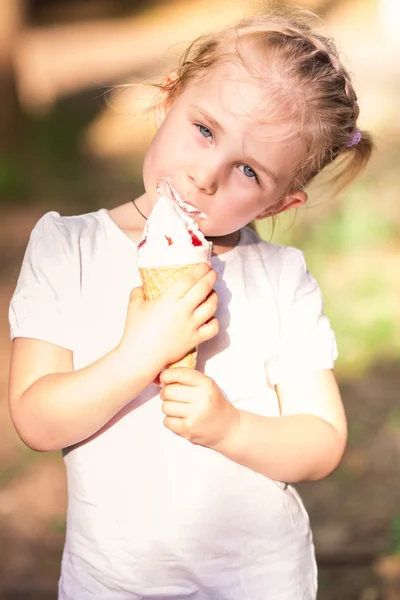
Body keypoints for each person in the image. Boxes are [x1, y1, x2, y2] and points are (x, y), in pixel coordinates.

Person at [8, 9, 373, 600]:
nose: (206, 175)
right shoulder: (66, 247)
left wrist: (228, 427)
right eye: (204, 130)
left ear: (279, 205)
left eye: (249, 172)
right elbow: (37, 420)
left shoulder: (279, 276)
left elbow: (321, 440)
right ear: (167, 99)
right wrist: (137, 356)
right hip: (112, 582)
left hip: (258, 582)